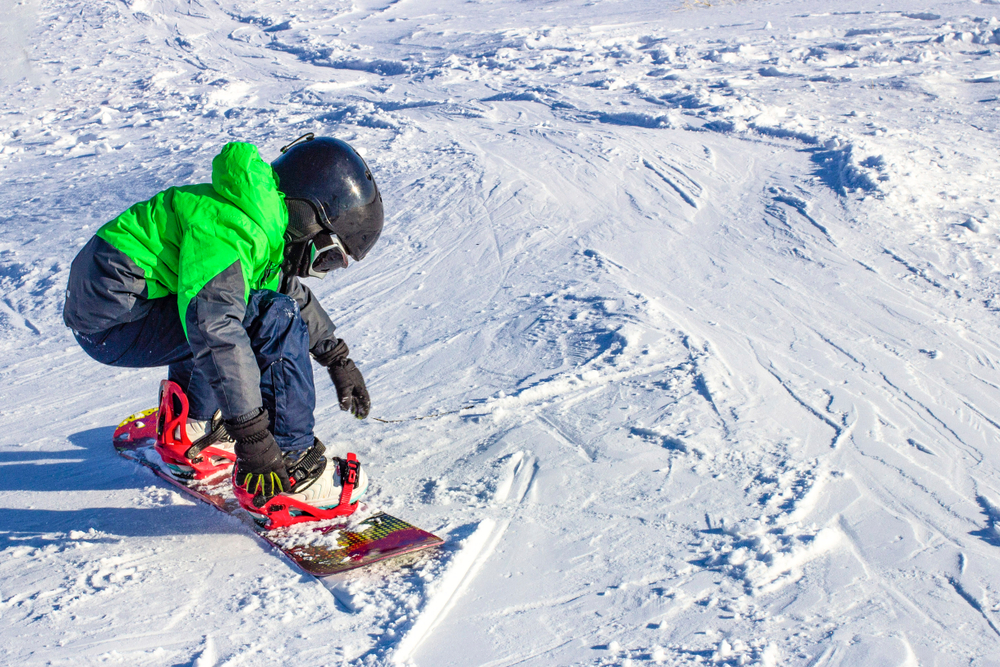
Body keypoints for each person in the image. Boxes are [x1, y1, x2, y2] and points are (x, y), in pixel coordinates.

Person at [63, 134, 384, 526]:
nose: (319, 269)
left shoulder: (253, 215)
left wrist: (336, 358)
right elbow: (218, 333)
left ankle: (192, 430)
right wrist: (253, 438)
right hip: (116, 320)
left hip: (116, 308)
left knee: (249, 302)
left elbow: (283, 285)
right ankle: (291, 471)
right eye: (329, 258)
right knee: (270, 317)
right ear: (307, 217)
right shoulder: (232, 232)